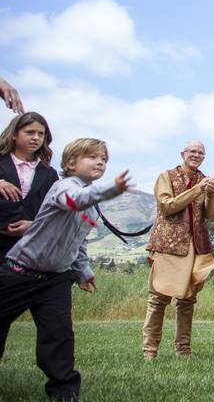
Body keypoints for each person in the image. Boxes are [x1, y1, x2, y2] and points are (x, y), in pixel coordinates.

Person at [0, 138, 133, 402]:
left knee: (59, 336)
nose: (100, 162)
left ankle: (64, 391)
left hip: (56, 280)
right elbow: (75, 202)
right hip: (19, 272)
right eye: (92, 157)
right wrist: (111, 189)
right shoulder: (63, 187)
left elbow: (79, 241)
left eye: (103, 159)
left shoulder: (91, 207)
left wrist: (83, 271)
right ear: (71, 164)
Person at [141, 140, 214, 359]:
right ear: (182, 153)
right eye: (192, 151)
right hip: (169, 244)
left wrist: (212, 193)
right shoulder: (166, 176)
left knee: (187, 300)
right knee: (158, 298)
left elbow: (210, 214)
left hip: (197, 245)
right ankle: (150, 351)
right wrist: (198, 189)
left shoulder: (204, 180)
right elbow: (168, 207)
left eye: (201, 153)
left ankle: (183, 350)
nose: (196, 155)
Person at [0, 112, 59, 260]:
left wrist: (34, 225)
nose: (36, 138)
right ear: (14, 134)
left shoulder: (49, 173)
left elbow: (54, 212)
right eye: (30, 132)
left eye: (41, 134)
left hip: (28, 249)